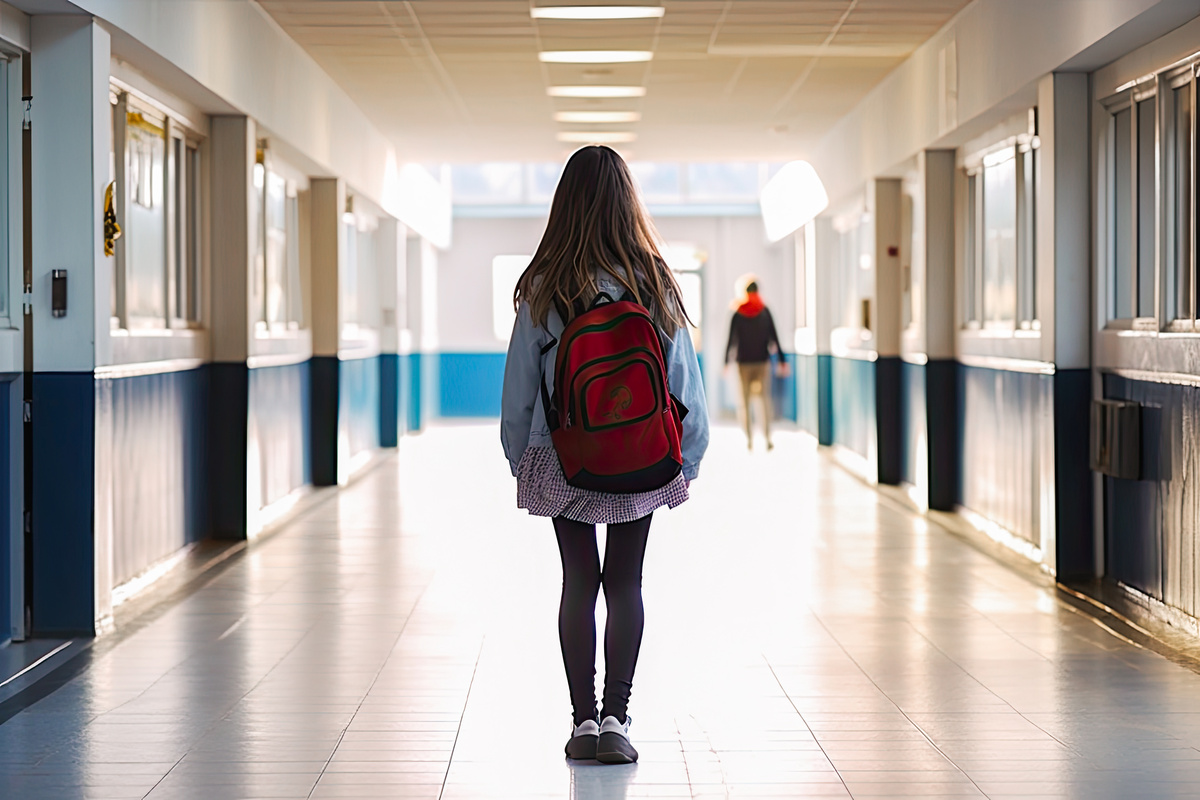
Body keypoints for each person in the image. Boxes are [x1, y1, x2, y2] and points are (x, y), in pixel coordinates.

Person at [500, 146, 709, 765]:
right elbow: (682, 380)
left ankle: (582, 722)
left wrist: (523, 457)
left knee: (576, 582)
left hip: (562, 456)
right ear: (627, 203)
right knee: (625, 581)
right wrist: (687, 459)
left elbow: (518, 388)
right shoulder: (654, 279)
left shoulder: (543, 285)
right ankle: (618, 717)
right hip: (641, 455)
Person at [725, 277, 788, 451]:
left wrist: (725, 362)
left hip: (743, 364)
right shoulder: (764, 310)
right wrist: (783, 360)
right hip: (762, 362)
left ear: (745, 292)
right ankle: (767, 437)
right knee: (764, 400)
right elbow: (775, 336)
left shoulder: (738, 312)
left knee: (744, 402)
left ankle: (749, 439)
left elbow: (731, 340)